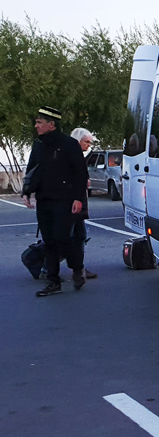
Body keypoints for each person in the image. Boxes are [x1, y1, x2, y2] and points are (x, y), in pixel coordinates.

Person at [21, 107, 88, 296]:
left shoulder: (69, 144)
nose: (36, 126)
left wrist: (78, 198)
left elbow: (81, 174)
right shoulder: (39, 145)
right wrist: (26, 192)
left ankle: (77, 268)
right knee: (49, 241)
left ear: (52, 124)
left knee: (63, 238)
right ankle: (53, 281)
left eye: (39, 123)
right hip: (44, 200)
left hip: (65, 200)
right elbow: (32, 169)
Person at [70, 128, 98, 280]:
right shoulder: (71, 157)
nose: (89, 145)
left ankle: (79, 268)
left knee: (78, 236)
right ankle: (77, 269)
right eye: (86, 142)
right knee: (74, 236)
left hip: (78, 202)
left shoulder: (77, 156)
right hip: (73, 203)